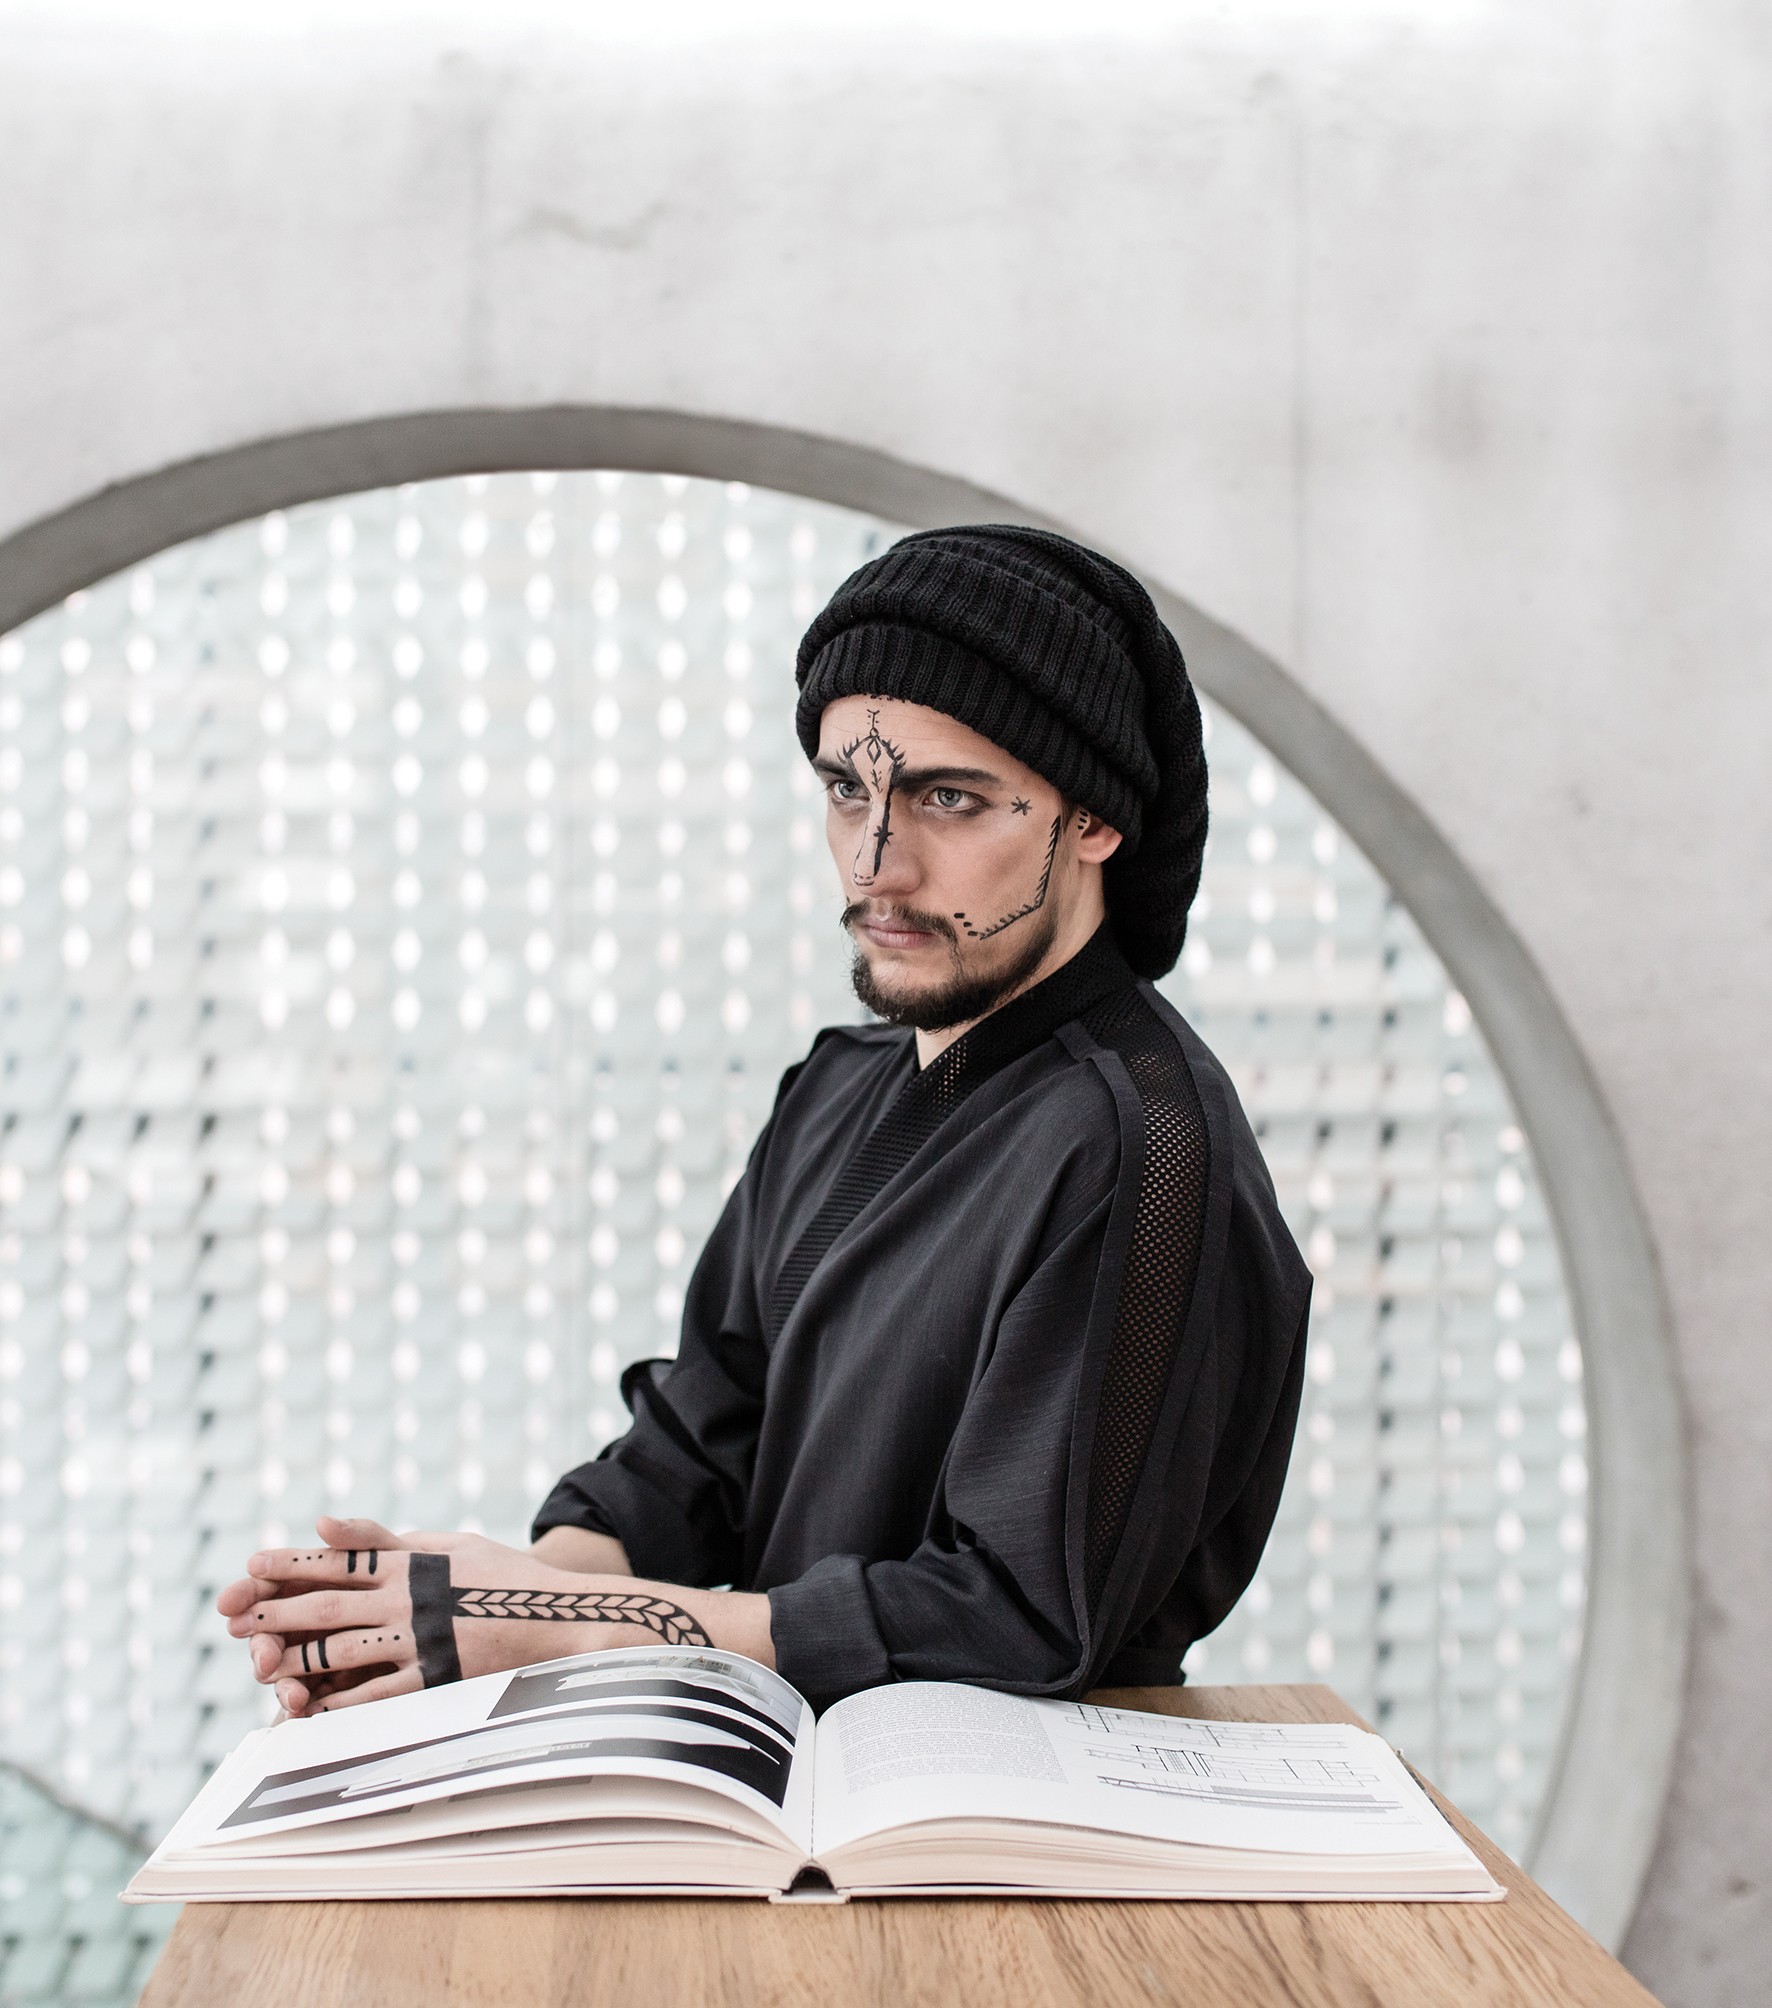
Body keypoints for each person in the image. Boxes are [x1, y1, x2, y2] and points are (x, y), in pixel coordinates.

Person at [219, 525, 1311, 1717]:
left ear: (1093, 818)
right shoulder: (840, 1086)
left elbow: (1015, 1623)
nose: (875, 863)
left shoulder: (1141, 1149)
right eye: (847, 790)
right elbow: (701, 1446)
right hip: (788, 1765)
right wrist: (487, 1600)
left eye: (947, 798)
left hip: (1010, 1809)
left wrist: (565, 1623)